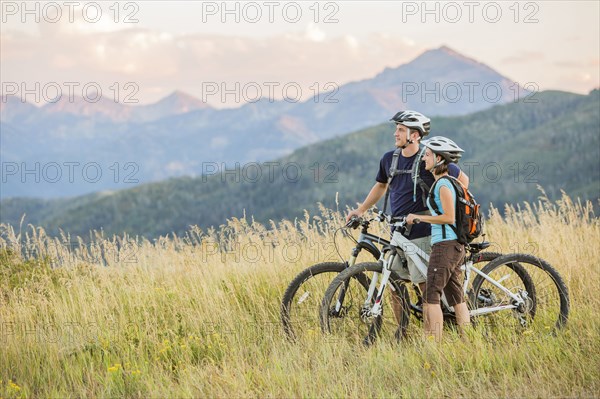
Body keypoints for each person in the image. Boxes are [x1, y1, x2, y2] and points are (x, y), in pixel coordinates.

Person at [346, 111, 468, 297]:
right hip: (398, 231)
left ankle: (436, 323)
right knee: (394, 284)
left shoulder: (429, 159)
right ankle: (402, 327)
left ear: (415, 135)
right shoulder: (389, 159)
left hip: (422, 232)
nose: (396, 133)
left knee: (425, 286)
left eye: (401, 130)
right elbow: (381, 185)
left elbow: (462, 181)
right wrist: (361, 210)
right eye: (396, 129)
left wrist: (446, 209)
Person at [406, 136, 470, 342]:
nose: (424, 158)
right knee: (456, 298)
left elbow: (449, 217)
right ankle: (469, 342)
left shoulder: (442, 184)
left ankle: (433, 345)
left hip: (445, 246)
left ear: (439, 158)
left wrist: (418, 217)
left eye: (427, 155)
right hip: (452, 246)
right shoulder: (447, 182)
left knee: (431, 296)